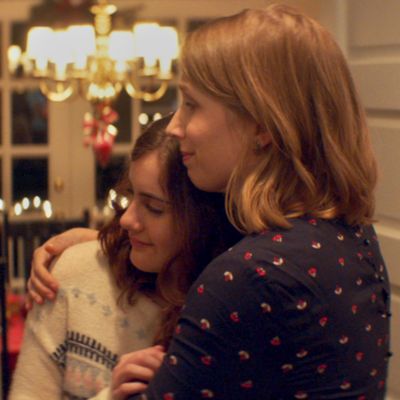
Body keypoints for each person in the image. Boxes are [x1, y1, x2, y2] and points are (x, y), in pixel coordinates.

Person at [29, 4, 391, 399]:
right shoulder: (352, 235)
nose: (174, 125)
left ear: (261, 125)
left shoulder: (247, 275)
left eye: (191, 104)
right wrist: (102, 239)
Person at [9, 116, 241, 399]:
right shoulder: (75, 273)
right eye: (130, 195)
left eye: (154, 207)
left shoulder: (230, 308)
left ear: (205, 221)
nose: (127, 220)